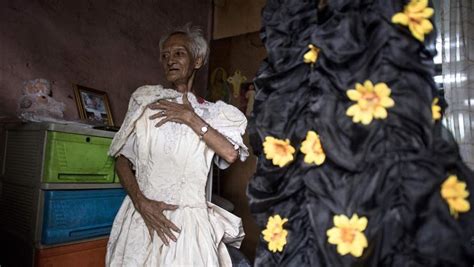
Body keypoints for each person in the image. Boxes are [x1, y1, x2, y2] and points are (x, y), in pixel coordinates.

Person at [106, 24, 248, 266]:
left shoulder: (213, 114)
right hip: (142, 216)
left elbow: (230, 153)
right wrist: (141, 202)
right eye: (165, 55)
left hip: (187, 225)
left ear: (198, 60)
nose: (170, 60)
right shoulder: (147, 102)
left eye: (179, 53)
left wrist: (189, 117)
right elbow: (121, 160)